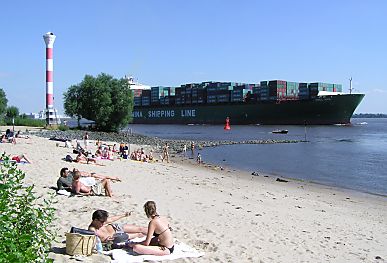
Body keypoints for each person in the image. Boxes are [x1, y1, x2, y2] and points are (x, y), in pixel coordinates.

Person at [57, 167, 121, 191]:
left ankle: (113, 178)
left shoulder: (70, 174)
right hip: (82, 181)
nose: (68, 173)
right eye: (67, 172)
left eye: (68, 172)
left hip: (83, 178)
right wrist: (69, 188)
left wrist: (75, 170)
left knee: (100, 177)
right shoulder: (61, 180)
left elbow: (76, 173)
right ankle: (112, 179)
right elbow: (60, 188)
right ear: (63, 173)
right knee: (100, 179)